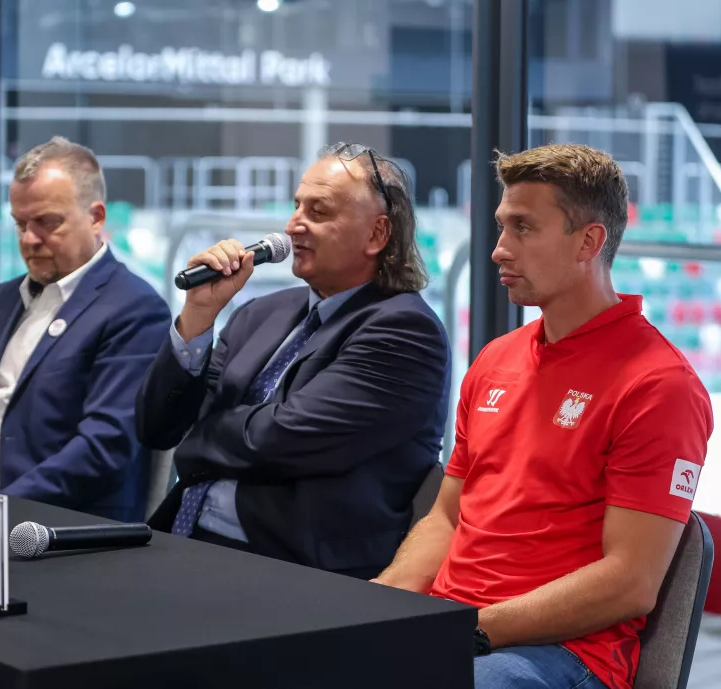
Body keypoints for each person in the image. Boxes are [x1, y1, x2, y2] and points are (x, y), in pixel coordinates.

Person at [372, 144, 713, 689]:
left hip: (562, 654)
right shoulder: (495, 360)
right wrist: (375, 608)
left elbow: (630, 582)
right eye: (502, 226)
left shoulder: (660, 386)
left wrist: (470, 630)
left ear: (589, 242)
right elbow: (447, 519)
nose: (498, 250)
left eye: (524, 228)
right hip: (461, 628)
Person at [137, 142, 451, 579]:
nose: (292, 225)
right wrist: (198, 316)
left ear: (377, 234)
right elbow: (158, 427)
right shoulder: (260, 313)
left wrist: (201, 429)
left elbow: (281, 439)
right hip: (184, 538)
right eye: (296, 206)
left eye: (317, 212)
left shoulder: (404, 331)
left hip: (290, 570)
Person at [0, 137, 170, 522]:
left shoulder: (134, 309)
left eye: (47, 222)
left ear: (96, 217)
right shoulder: (4, 300)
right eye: (20, 224)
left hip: (49, 524)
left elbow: (103, 448)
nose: (28, 240)